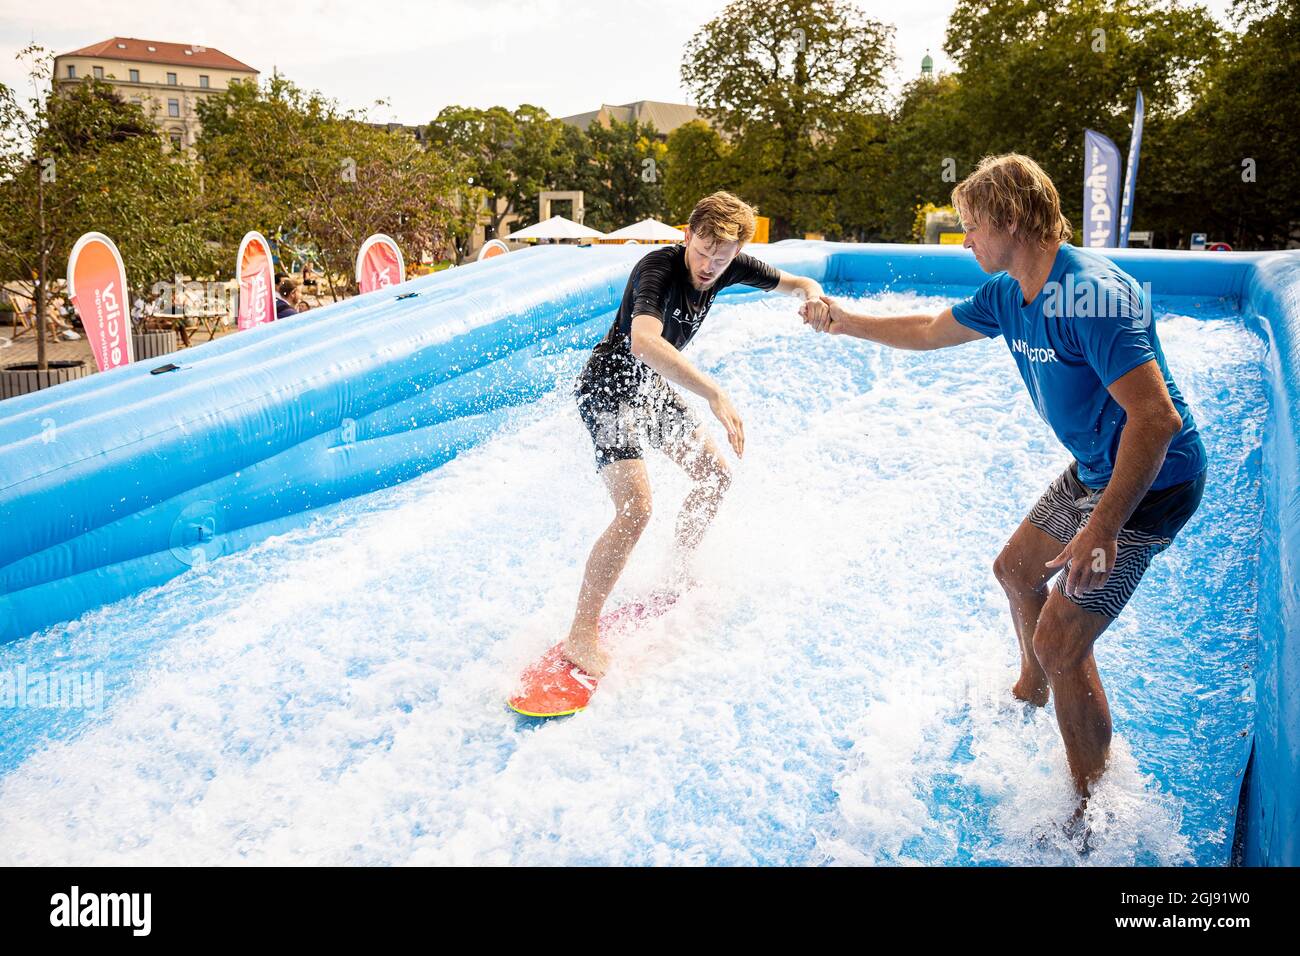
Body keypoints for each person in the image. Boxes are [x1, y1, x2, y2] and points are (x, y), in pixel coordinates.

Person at [806, 154, 1206, 808]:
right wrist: (845, 322)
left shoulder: (1093, 296)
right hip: (1098, 466)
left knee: (1061, 640)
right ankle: (1033, 687)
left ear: (1010, 219)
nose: (963, 241)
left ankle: (1088, 814)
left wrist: (1102, 527)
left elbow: (1156, 421)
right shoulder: (1006, 292)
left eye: (970, 226)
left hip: (1153, 480)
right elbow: (934, 329)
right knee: (1018, 570)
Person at [564, 191, 829, 677]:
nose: (708, 266)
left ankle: (677, 571)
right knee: (637, 509)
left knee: (714, 475)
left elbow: (799, 282)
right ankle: (581, 633)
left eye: (720, 257)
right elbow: (644, 341)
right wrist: (713, 393)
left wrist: (813, 298)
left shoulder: (730, 265)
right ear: (687, 236)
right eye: (702, 252)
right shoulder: (657, 270)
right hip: (608, 387)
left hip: (648, 387)